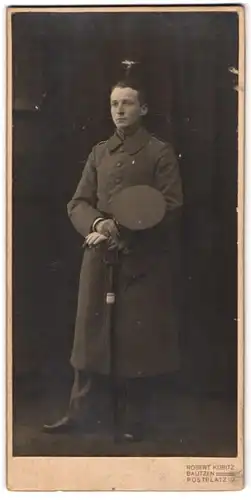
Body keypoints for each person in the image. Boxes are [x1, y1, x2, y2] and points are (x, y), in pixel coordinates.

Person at [43, 75, 183, 441]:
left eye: (128, 103)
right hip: (100, 257)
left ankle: (135, 420)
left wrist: (128, 233)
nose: (119, 110)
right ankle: (80, 413)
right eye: (114, 104)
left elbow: (170, 205)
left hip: (141, 259)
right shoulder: (98, 153)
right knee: (90, 335)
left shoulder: (159, 152)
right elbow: (78, 202)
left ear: (144, 108)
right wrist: (100, 222)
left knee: (137, 338)